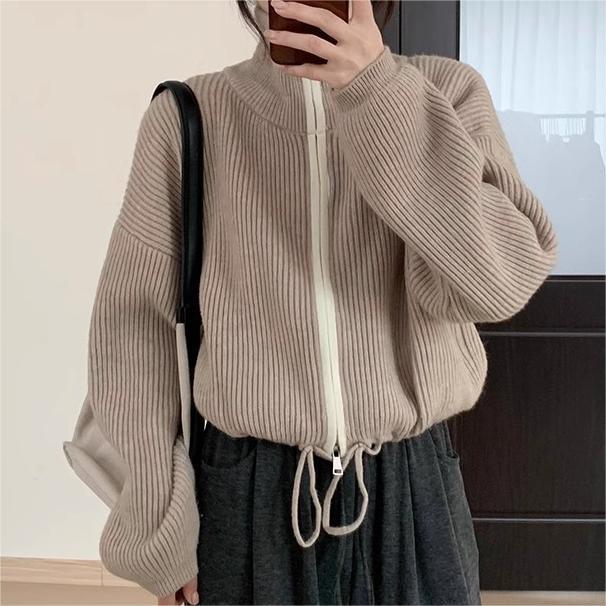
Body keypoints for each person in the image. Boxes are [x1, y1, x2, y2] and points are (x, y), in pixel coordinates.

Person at [75, 0, 559, 604]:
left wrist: (376, 92)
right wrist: (159, 529)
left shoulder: (446, 94)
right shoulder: (190, 114)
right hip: (246, 496)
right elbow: (131, 336)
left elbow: (500, 281)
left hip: (412, 492)